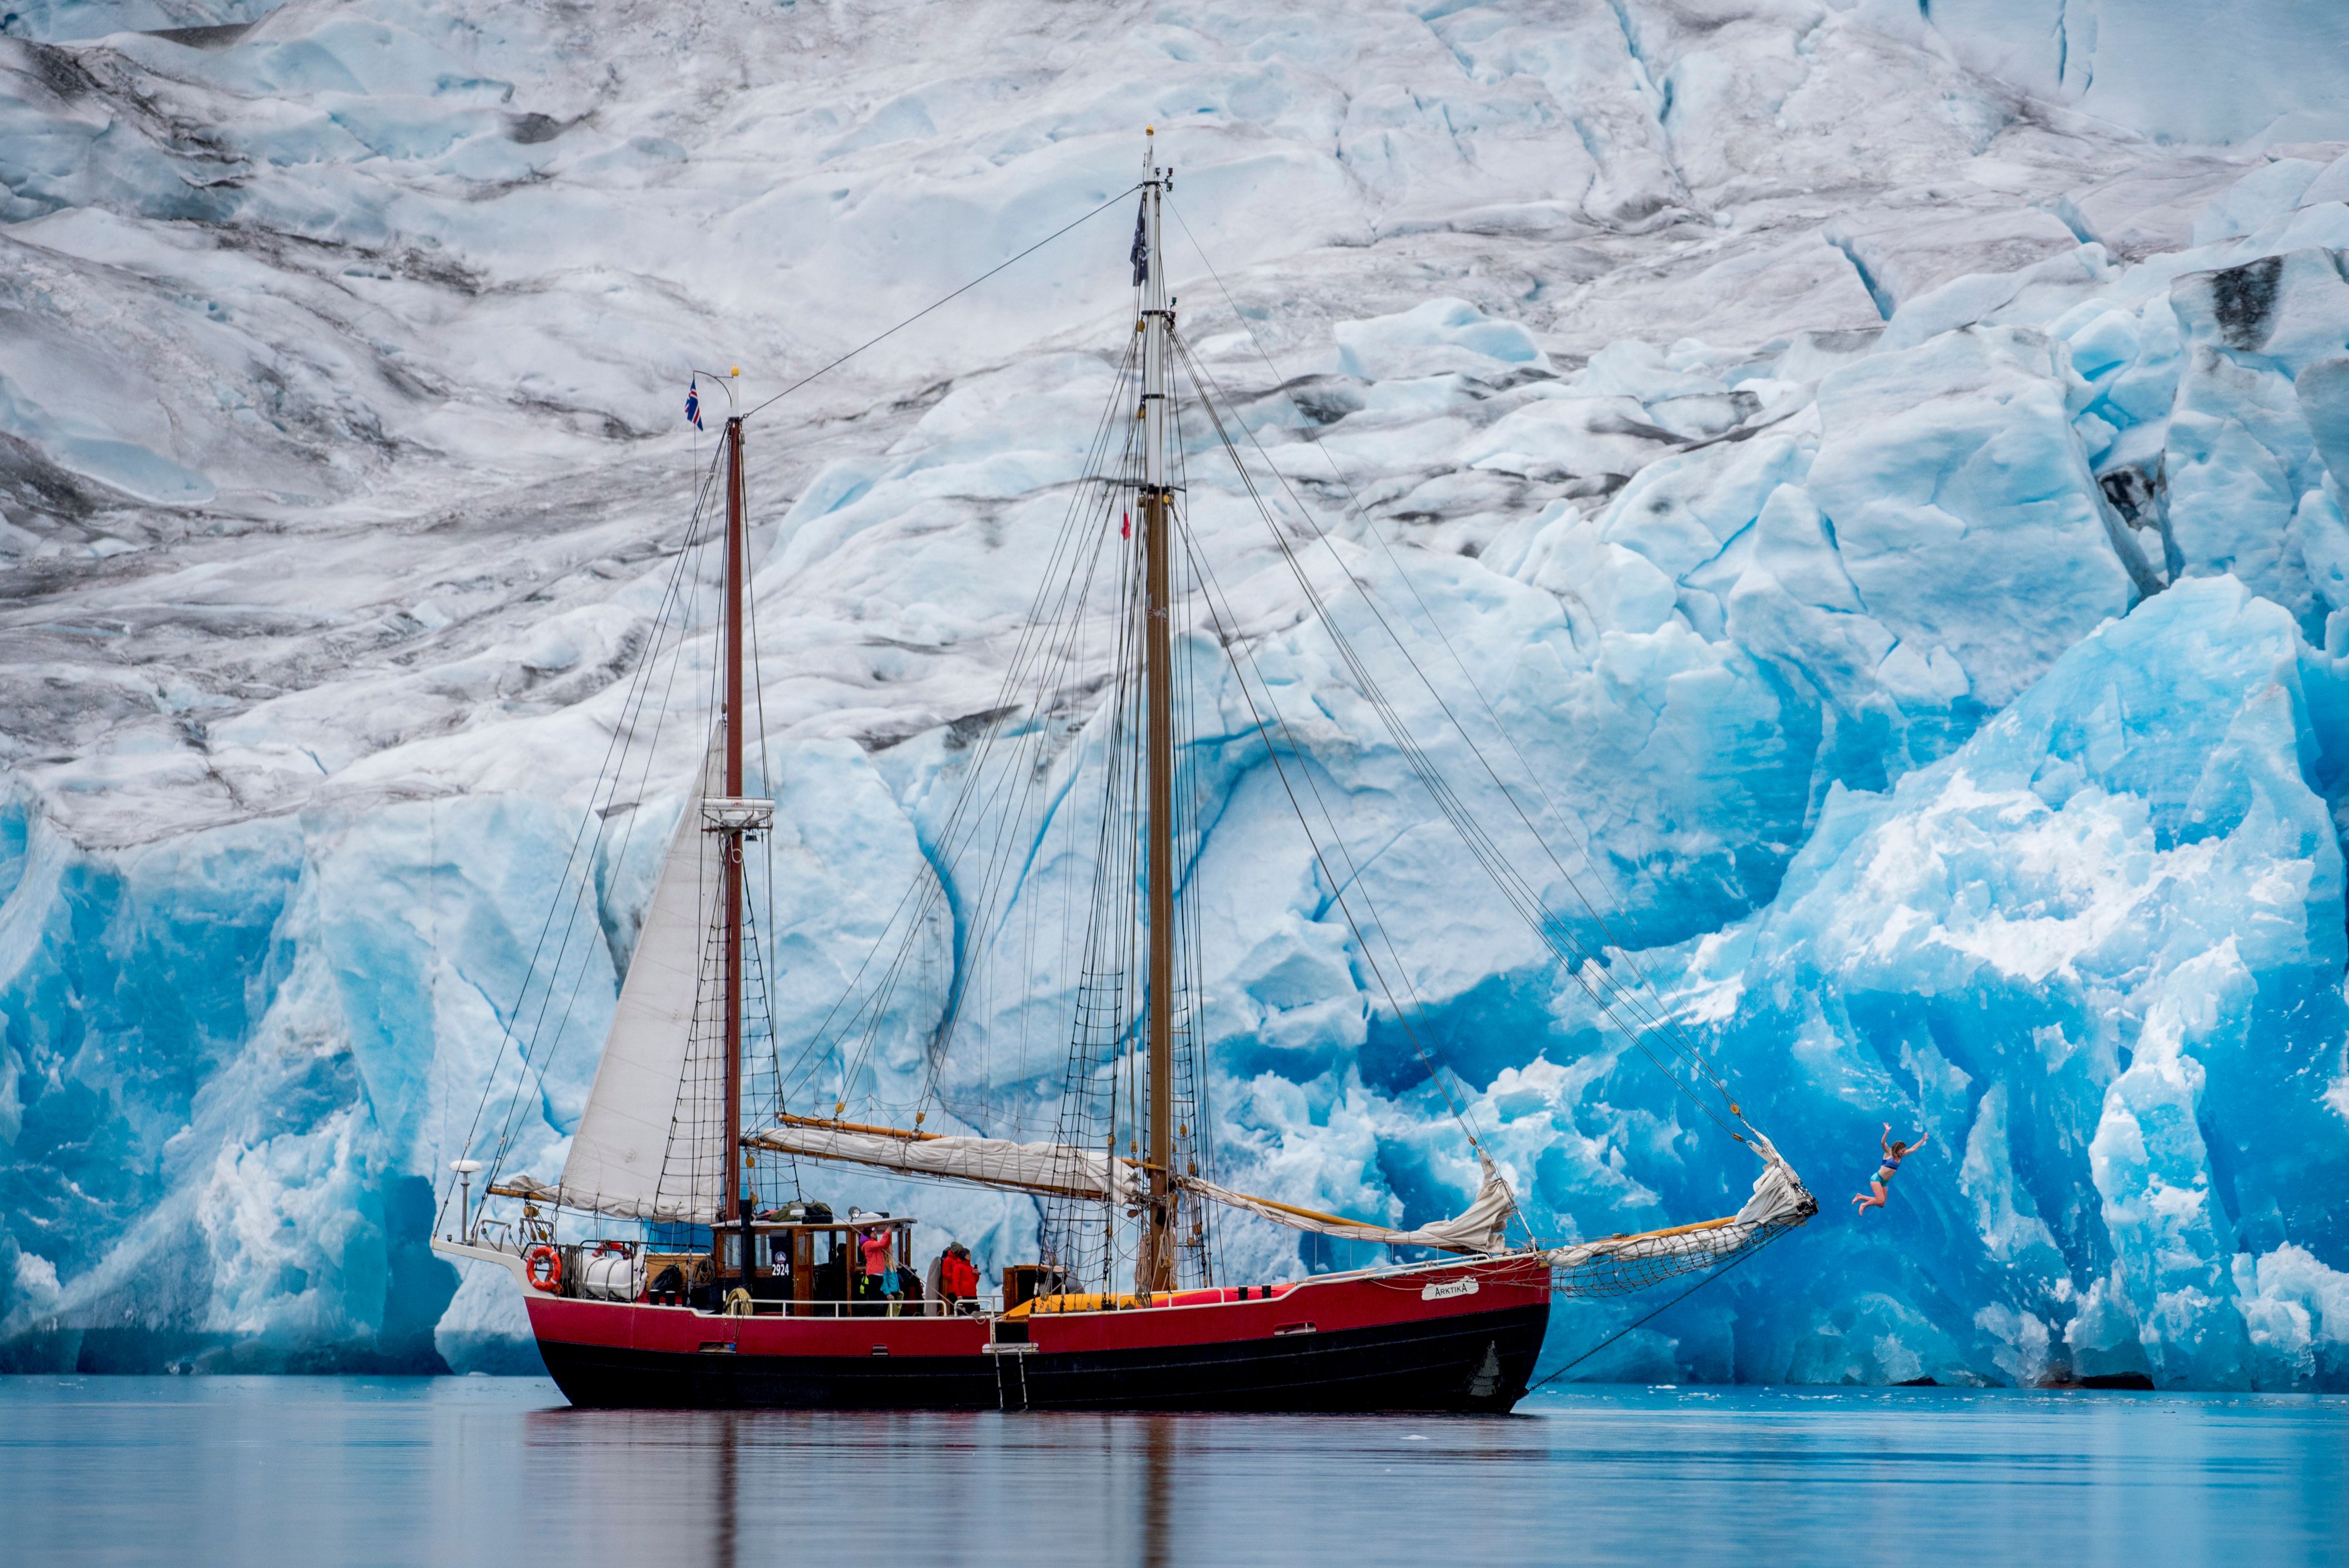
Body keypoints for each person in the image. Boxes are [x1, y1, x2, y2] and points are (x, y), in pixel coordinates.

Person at [1853, 1122, 1928, 1213]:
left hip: (1884, 1183)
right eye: (1902, 1151)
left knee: (1882, 1204)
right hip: (1877, 1179)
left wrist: (1923, 1140)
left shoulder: (1900, 1155)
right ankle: (1864, 1205)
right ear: (1898, 1149)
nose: (1903, 1152)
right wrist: (1887, 1132)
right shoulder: (1889, 1153)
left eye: (1904, 1151)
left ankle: (1860, 1197)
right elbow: (1883, 1143)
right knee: (1880, 1200)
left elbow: (1913, 1149)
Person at [857, 1226, 892, 1311]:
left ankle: (875, 1310)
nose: (875, 1233)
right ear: (869, 1233)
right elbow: (882, 1244)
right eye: (873, 1231)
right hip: (874, 1273)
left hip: (879, 1273)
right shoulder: (868, 1244)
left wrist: (889, 1235)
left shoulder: (873, 1243)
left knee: (876, 1293)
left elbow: (885, 1246)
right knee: (874, 1294)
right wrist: (886, 1233)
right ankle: (872, 1312)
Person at [939, 1243, 979, 1314]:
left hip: (962, 1290)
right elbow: (946, 1274)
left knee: (963, 1309)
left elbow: (974, 1280)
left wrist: (974, 1274)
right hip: (953, 1289)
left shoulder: (961, 1263)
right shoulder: (949, 1260)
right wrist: (957, 1276)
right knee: (955, 1309)